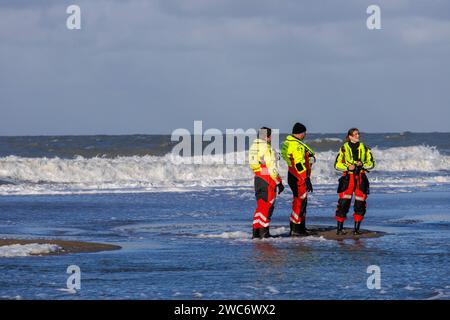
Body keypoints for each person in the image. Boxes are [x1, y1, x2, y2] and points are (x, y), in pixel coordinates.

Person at [334, 128, 374, 235]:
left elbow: (371, 164)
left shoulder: (365, 148)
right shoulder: (343, 149)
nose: (358, 136)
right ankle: (339, 229)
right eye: (355, 134)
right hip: (348, 178)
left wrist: (363, 165)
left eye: (358, 134)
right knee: (343, 204)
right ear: (350, 136)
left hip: (361, 178)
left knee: (360, 204)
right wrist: (348, 167)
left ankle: (356, 230)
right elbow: (337, 165)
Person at [249, 127, 284, 239]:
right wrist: (279, 182)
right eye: (270, 136)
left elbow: (254, 165)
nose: (271, 138)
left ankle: (256, 233)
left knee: (260, 206)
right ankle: (264, 233)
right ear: (266, 137)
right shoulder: (266, 147)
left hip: (257, 178)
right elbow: (271, 167)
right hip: (267, 180)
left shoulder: (253, 146)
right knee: (267, 206)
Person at [281, 123, 315, 236]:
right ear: (301, 133)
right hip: (298, 177)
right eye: (304, 132)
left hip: (292, 175)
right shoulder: (296, 145)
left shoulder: (288, 142)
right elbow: (299, 163)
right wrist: (306, 179)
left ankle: (299, 227)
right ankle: (297, 229)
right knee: (300, 202)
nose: (305, 134)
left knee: (298, 201)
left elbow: (287, 157)